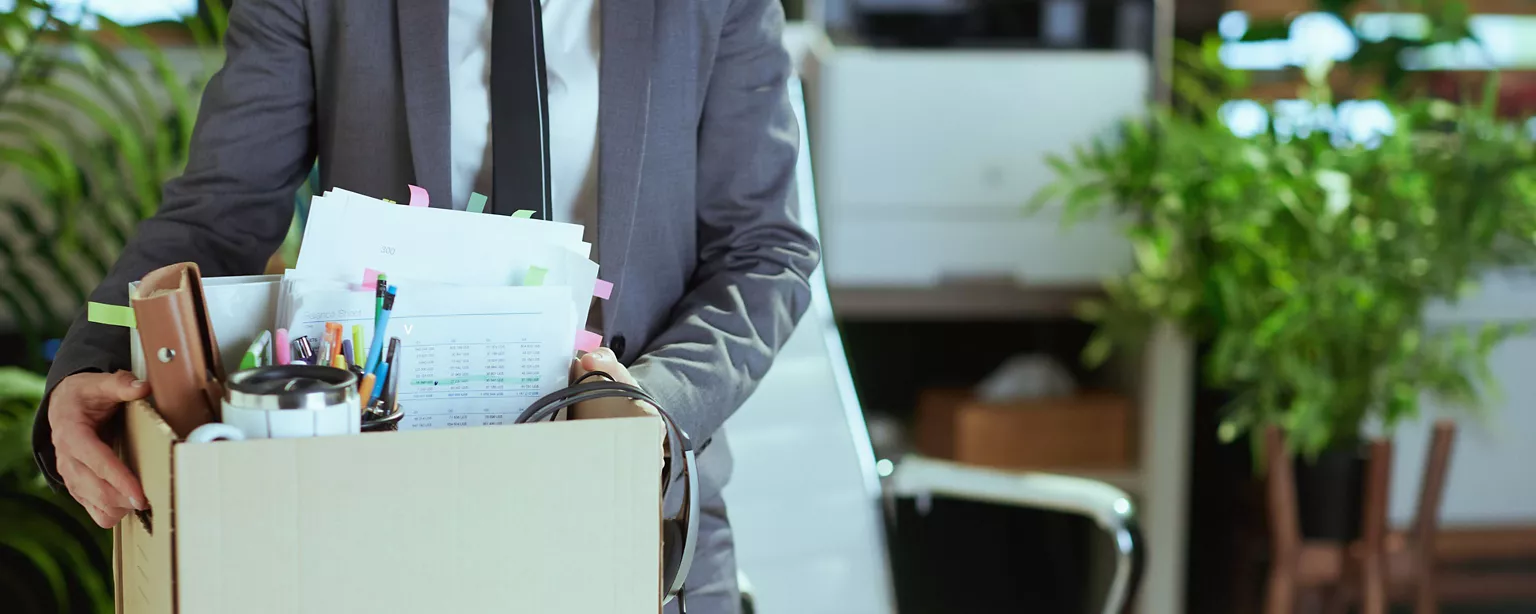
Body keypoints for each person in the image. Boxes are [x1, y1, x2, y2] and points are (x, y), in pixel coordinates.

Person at [30, 1, 818, 612]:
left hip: (635, 526)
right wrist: (90, 366)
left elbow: (765, 250)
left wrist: (651, 408)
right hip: (380, 524)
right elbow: (216, 213)